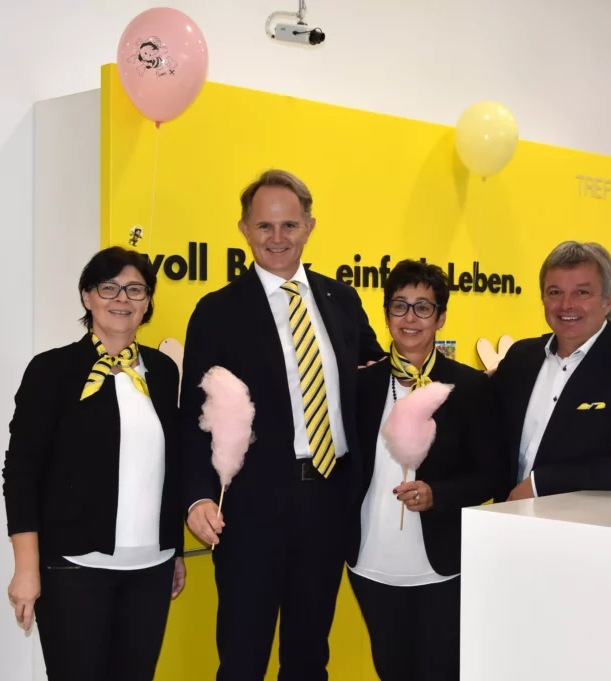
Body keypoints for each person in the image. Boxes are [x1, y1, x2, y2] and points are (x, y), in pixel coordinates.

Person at [180, 169, 385, 681]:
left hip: (329, 502)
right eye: (265, 226)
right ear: (244, 230)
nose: (278, 238)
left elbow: (377, 381)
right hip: (250, 510)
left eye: (289, 225)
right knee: (243, 656)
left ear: (310, 226)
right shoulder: (216, 311)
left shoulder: (342, 300)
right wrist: (196, 496)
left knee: (309, 655)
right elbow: (192, 419)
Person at [2, 246, 185, 681]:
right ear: (88, 297)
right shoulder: (52, 370)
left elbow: (171, 466)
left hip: (151, 570)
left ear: (147, 302)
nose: (122, 299)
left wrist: (174, 550)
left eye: (135, 290)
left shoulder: (162, 371)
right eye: (110, 287)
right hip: (74, 571)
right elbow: (21, 473)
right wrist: (26, 569)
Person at [347, 260, 506, 681]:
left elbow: (491, 474)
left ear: (441, 317)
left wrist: (439, 494)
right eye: (399, 306)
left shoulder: (469, 387)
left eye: (423, 307)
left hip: (441, 564)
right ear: (385, 315)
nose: (410, 318)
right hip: (371, 560)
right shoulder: (362, 385)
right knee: (391, 669)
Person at [492, 241, 611, 500]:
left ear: (609, 301)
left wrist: (540, 484)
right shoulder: (520, 358)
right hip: (504, 524)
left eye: (582, 293)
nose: (566, 305)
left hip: (586, 531)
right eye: (554, 292)